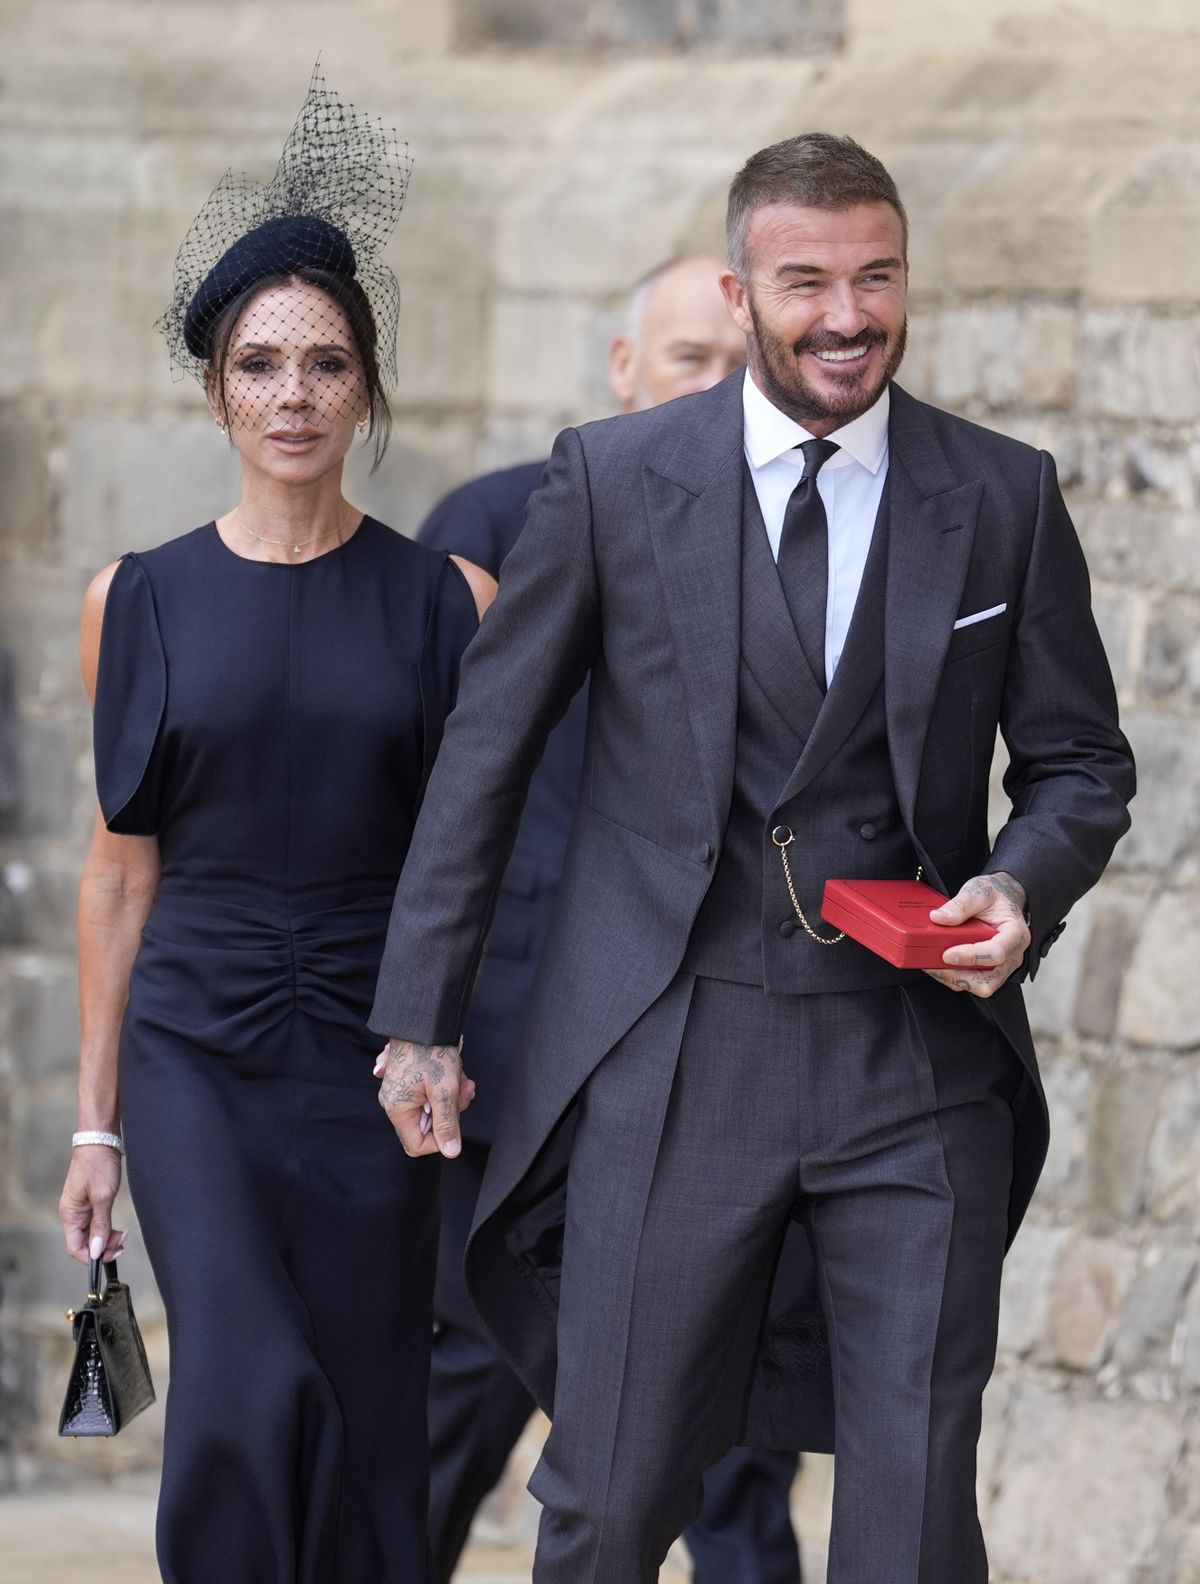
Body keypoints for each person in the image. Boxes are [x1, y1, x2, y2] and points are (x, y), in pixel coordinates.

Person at [368, 133, 1135, 1583]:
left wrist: (1021, 885)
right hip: (676, 1047)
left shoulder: (1003, 495)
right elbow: (488, 757)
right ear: (744, 289)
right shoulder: (613, 478)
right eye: (806, 283)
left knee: (912, 1518)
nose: (848, 315)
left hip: (916, 1066)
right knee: (607, 1498)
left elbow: (1083, 764)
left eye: (877, 278)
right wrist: (426, 1015)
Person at [56, 69, 495, 1584]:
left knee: (371, 1415)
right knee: (244, 1390)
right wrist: (97, 1119)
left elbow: (472, 856)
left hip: (378, 1061)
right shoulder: (139, 598)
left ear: (365, 385)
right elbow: (119, 880)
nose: (293, 395)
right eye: (260, 365)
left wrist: (440, 1033)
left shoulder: (451, 605)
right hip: (199, 1056)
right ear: (216, 389)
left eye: (323, 364)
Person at [419, 255, 803, 1584]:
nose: (717, 387)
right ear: (623, 370)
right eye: (690, 358)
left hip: (718, 1079)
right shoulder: (492, 523)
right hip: (515, 1077)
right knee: (443, 1423)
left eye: (740, 364)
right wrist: (427, 1022)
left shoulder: (808, 548)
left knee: (732, 1462)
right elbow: (436, 802)